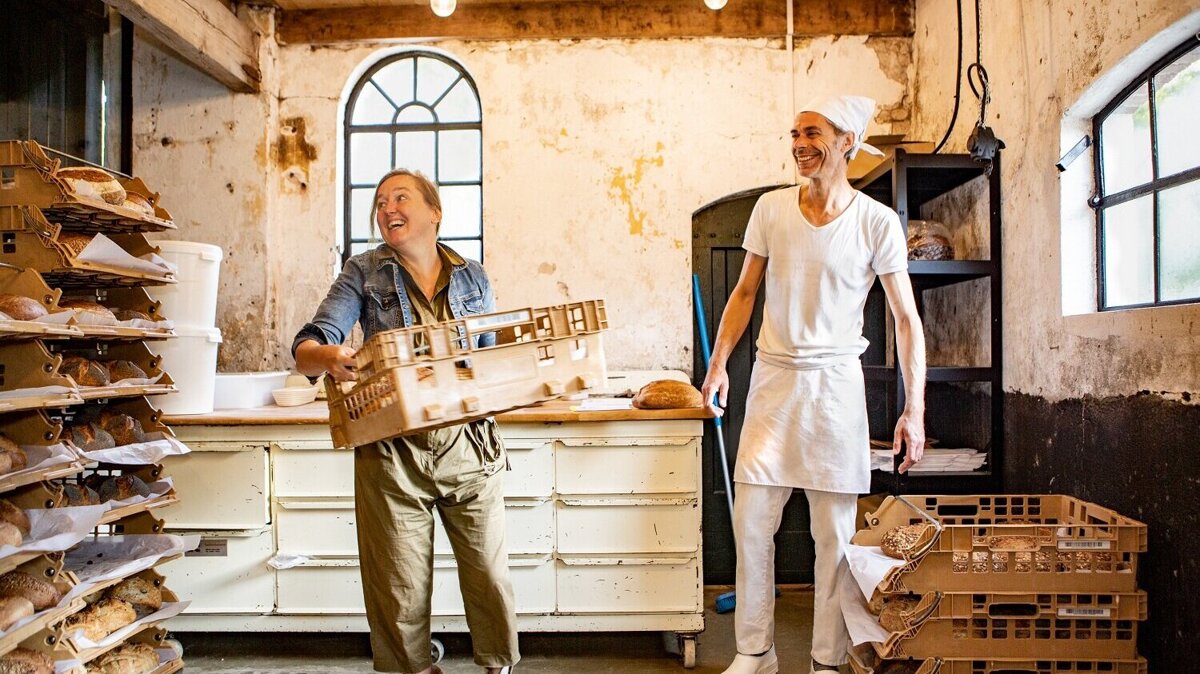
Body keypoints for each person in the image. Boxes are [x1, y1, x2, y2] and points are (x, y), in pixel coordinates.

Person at [701, 95, 926, 674]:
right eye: (794, 133)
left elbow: (905, 317)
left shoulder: (876, 222)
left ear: (847, 141)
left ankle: (826, 661)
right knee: (752, 524)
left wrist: (914, 408)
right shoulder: (771, 210)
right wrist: (719, 363)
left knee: (833, 534)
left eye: (812, 133)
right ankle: (755, 652)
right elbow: (745, 293)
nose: (799, 144)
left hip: (834, 389)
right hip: (774, 384)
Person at [292, 168, 519, 674]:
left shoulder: (473, 276)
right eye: (379, 202)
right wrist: (331, 356)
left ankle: (497, 665)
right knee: (399, 587)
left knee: (488, 573)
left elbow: (488, 360)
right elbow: (306, 347)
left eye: (400, 198)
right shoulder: (363, 272)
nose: (387, 208)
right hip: (392, 453)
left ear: (434, 212)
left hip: (469, 448)